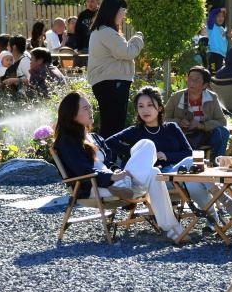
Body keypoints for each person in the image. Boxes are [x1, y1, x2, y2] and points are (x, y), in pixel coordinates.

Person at [53, 92, 182, 242]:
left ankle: (129, 186)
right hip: (95, 186)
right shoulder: (67, 141)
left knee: (147, 147)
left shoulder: (94, 138)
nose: (90, 110)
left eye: (90, 107)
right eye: (85, 108)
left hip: (118, 182)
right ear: (72, 114)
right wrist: (112, 177)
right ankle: (174, 229)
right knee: (153, 172)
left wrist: (118, 172)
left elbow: (109, 163)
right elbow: (83, 171)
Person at [107, 86, 232, 231]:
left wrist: (167, 156)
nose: (145, 110)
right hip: (158, 179)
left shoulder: (171, 128)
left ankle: (213, 221)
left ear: (160, 108)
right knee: (192, 165)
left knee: (193, 183)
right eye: (140, 106)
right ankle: (222, 197)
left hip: (179, 174)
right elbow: (109, 142)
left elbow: (189, 152)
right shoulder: (135, 131)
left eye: (150, 105)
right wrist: (139, 152)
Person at [87, 0, 143, 138]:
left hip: (108, 82)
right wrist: (138, 38)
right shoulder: (106, 31)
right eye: (123, 11)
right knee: (114, 125)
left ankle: (107, 150)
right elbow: (127, 52)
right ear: (114, 11)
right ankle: (109, 151)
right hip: (112, 83)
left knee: (111, 124)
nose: (124, 15)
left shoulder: (101, 31)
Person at [163, 65, 230, 159]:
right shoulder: (176, 97)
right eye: (190, 79)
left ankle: (217, 161)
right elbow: (163, 119)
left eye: (196, 80)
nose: (191, 82)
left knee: (223, 132)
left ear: (205, 85)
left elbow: (222, 121)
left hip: (204, 136)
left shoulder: (212, 97)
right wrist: (179, 122)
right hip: (182, 136)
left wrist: (201, 125)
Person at [205, 6, 229, 72]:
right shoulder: (211, 26)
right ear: (214, 17)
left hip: (221, 56)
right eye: (218, 16)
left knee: (219, 74)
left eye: (222, 16)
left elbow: (225, 42)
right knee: (213, 72)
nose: (221, 18)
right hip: (213, 54)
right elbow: (212, 13)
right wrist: (221, 9)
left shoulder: (222, 29)